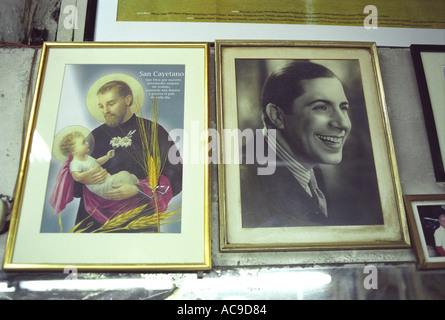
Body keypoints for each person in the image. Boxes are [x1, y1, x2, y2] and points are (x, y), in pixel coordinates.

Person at [241, 61, 351, 228]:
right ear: (277, 116)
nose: (343, 123)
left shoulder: (309, 166)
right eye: (321, 107)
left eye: (343, 108)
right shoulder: (244, 180)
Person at [72, 79, 182, 230]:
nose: (105, 111)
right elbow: (75, 185)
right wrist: (83, 178)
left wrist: (140, 190)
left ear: (128, 100)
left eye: (111, 104)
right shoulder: (94, 136)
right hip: (93, 222)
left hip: (137, 220)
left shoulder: (153, 131)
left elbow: (177, 173)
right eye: (101, 106)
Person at [60, 130, 139, 199]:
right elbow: (77, 177)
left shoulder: (87, 157)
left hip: (107, 180)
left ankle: (136, 186)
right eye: (83, 143)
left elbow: (97, 162)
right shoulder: (75, 163)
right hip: (101, 187)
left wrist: (107, 157)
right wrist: (90, 172)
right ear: (74, 151)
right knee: (124, 175)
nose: (87, 143)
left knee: (127, 176)